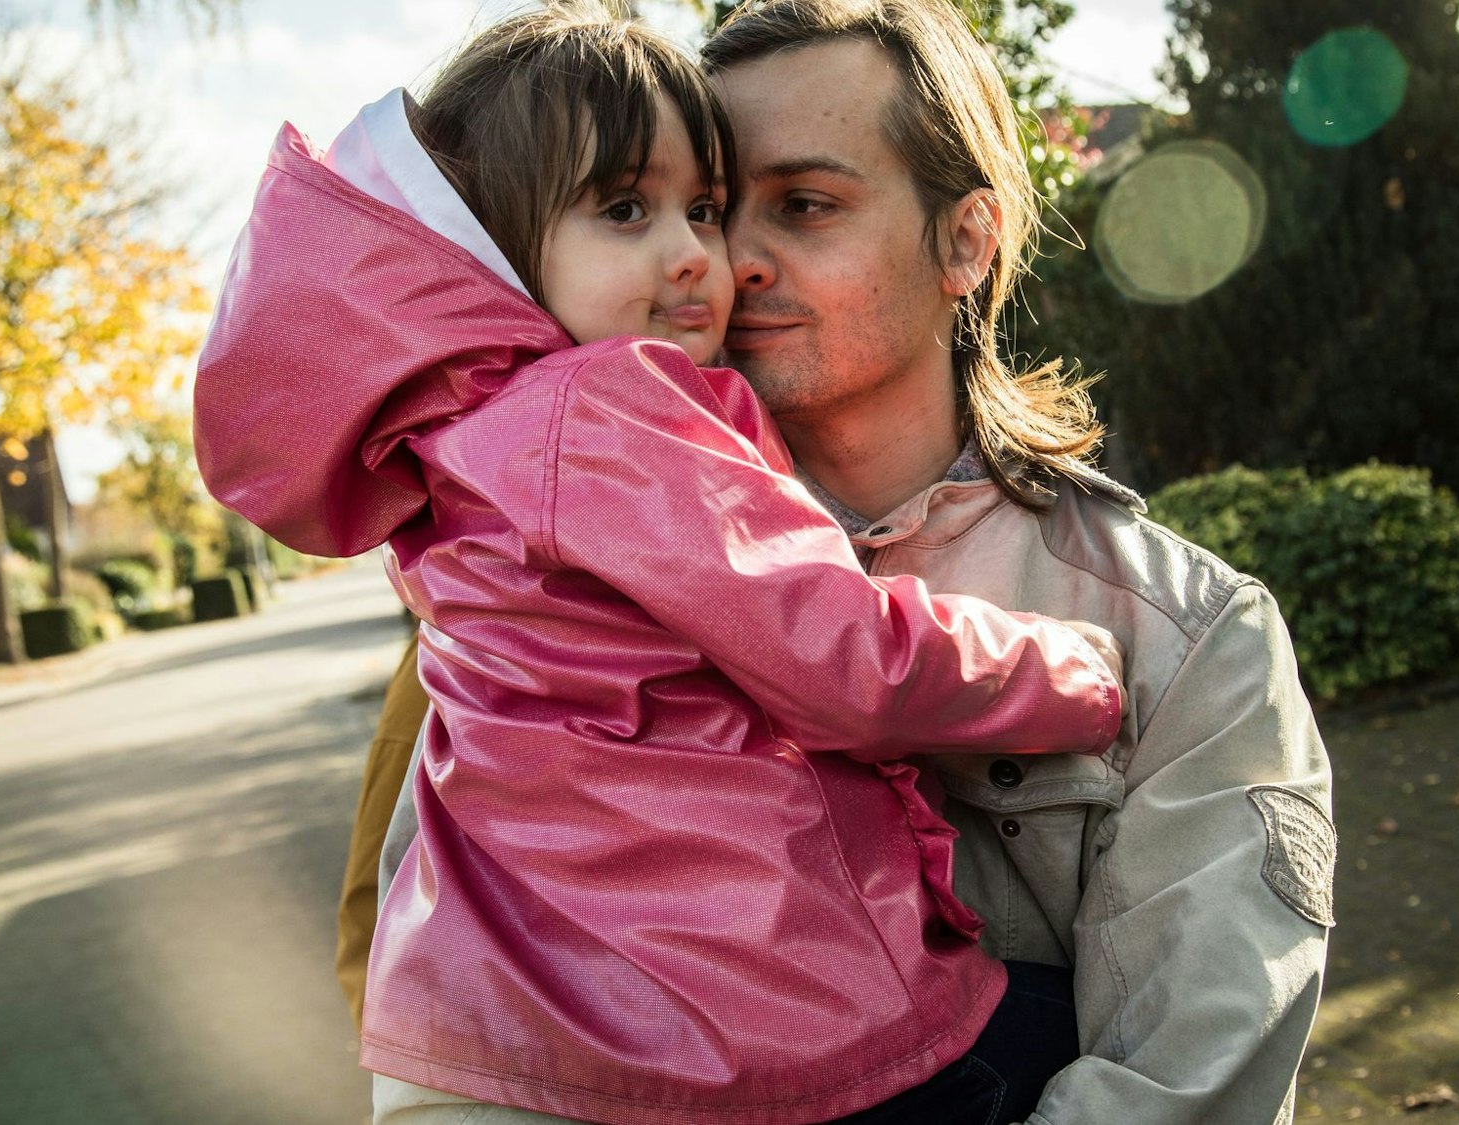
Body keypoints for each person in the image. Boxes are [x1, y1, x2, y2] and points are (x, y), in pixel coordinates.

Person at [348, 1, 1335, 1122]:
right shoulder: (536, 590)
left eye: (803, 205)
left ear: (967, 240)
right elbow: (438, 1009)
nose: (721, 259)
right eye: (709, 207)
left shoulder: (1185, 639)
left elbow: (1184, 1083)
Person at [194, 7, 1134, 1124]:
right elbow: (844, 656)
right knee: (1049, 1027)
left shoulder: (462, 451)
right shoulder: (609, 410)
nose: (699, 254)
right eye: (623, 210)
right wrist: (1076, 671)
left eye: (701, 207)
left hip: (537, 1033)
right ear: (499, 247)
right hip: (743, 1011)